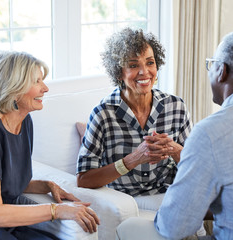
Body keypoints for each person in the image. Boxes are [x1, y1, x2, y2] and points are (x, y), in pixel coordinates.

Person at [116, 30, 233, 239]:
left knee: (129, 228)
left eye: (211, 64)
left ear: (221, 71)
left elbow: (174, 226)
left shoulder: (210, 133)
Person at [0, 51, 100, 240]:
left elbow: (2, 181)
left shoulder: (24, 122)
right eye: (36, 81)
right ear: (14, 87)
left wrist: (45, 185)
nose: (45, 88)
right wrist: (57, 210)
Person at [77, 27, 193, 198]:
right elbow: (83, 179)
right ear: (119, 73)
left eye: (150, 62)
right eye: (133, 65)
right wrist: (134, 159)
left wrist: (173, 149)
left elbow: (197, 167)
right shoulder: (103, 114)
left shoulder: (176, 106)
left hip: (169, 194)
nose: (144, 72)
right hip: (123, 200)